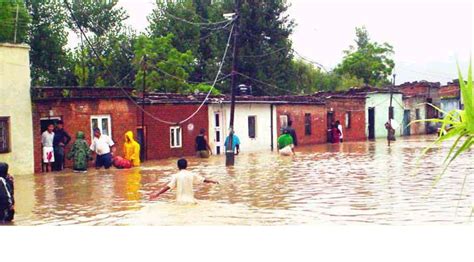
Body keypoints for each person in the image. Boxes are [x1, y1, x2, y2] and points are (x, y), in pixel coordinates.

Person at [149, 158, 218, 204]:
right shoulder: (191, 174)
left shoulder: (176, 176)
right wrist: (213, 181)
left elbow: (168, 187)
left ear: (178, 166)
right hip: (191, 201)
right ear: (186, 166)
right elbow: (203, 180)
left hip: (180, 202)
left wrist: (157, 194)